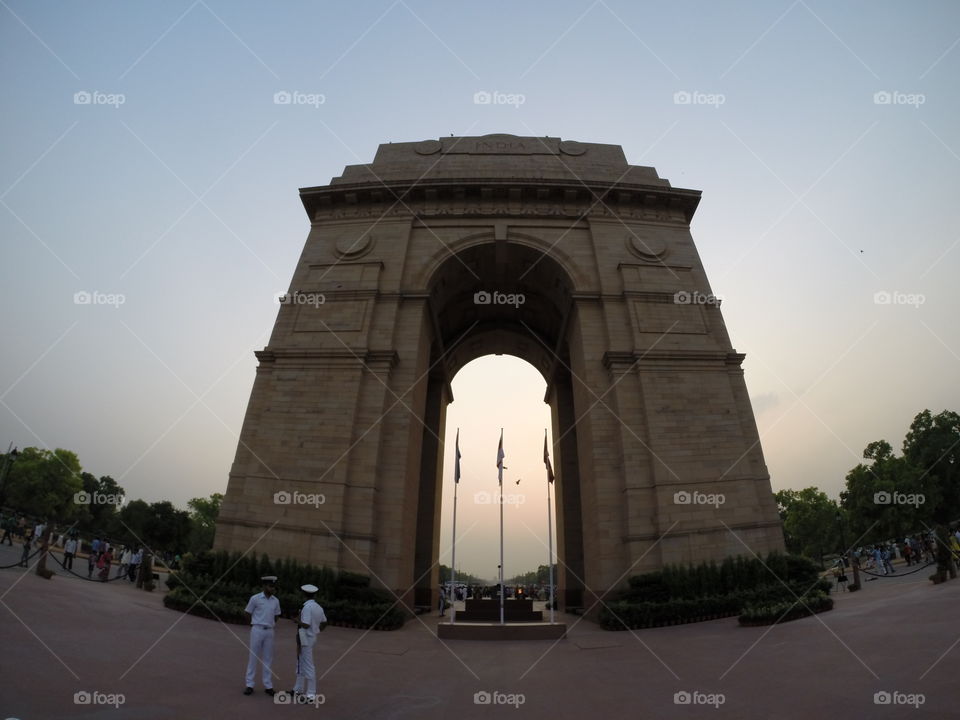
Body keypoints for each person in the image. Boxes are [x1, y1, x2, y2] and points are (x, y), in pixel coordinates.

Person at [243, 575, 281, 696]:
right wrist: (252, 624)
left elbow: (277, 615)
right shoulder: (255, 598)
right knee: (253, 657)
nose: (272, 589)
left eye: (274, 587)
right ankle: (249, 684)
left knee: (268, 658)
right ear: (264, 586)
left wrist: (270, 623)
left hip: (269, 631)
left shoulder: (276, 601)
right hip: (257, 629)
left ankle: (268, 685)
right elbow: (247, 612)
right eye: (270, 586)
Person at [291, 583, 328, 701]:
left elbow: (306, 625)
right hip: (309, 637)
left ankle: (311, 694)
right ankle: (298, 689)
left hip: (306, 637)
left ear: (304, 594)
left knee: (308, 665)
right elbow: (325, 622)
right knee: (301, 662)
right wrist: (317, 630)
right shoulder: (318, 607)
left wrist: (296, 620)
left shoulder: (307, 607)